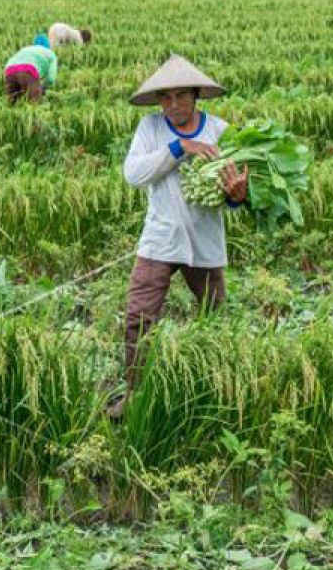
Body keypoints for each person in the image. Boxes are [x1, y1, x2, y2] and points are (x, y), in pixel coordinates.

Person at [107, 54, 249, 420]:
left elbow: (237, 192)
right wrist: (178, 148)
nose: (172, 105)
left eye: (180, 96)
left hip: (205, 242)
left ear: (196, 94)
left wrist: (238, 196)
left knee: (213, 315)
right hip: (160, 238)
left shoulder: (220, 131)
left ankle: (217, 388)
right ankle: (135, 393)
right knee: (139, 315)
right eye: (165, 97)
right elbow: (135, 174)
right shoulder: (151, 129)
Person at [3, 37, 58, 104]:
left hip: (9, 70)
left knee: (12, 101)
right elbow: (50, 78)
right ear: (48, 46)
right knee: (34, 102)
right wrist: (43, 87)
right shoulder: (50, 54)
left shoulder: (25, 49)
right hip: (28, 70)